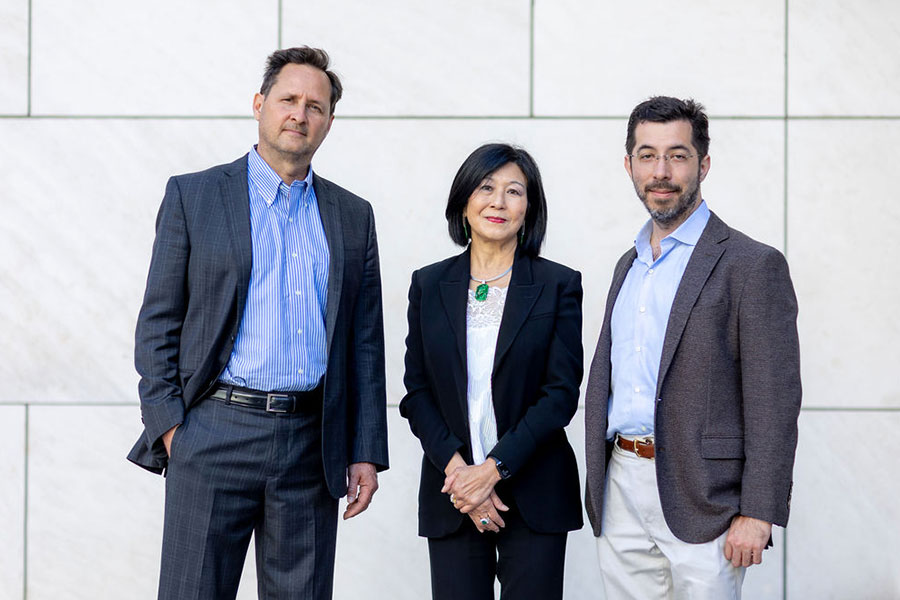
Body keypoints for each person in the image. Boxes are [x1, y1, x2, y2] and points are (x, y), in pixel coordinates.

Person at [127, 46, 388, 600]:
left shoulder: (351, 216)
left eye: (315, 106)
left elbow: (364, 343)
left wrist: (364, 450)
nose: (300, 113)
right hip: (214, 431)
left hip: (310, 443)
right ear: (259, 105)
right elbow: (157, 324)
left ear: (330, 122)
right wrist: (174, 430)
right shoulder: (194, 196)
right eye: (288, 99)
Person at [584, 96, 802, 599]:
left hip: (706, 498)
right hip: (620, 486)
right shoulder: (628, 265)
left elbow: (774, 399)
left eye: (677, 155)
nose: (661, 171)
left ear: (703, 164)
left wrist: (758, 509)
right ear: (629, 165)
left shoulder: (751, 265)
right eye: (647, 155)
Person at [400, 143, 584, 600]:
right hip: (454, 492)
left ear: (530, 208)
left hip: (534, 488)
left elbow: (560, 394)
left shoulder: (558, 284)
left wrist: (494, 469)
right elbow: (416, 392)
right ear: (464, 201)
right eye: (486, 187)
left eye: (514, 191)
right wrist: (463, 474)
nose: (498, 202)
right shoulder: (428, 284)